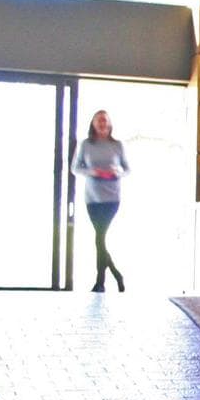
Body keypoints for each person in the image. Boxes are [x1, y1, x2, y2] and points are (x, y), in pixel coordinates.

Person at [71, 109, 129, 292]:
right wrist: (93, 172)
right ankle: (115, 275)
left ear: (110, 123)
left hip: (112, 197)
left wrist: (117, 172)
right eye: (99, 121)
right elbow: (75, 168)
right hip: (93, 198)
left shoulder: (118, 145)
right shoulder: (85, 144)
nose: (102, 123)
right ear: (93, 124)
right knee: (100, 239)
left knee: (99, 238)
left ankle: (100, 282)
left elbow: (127, 169)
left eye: (105, 120)